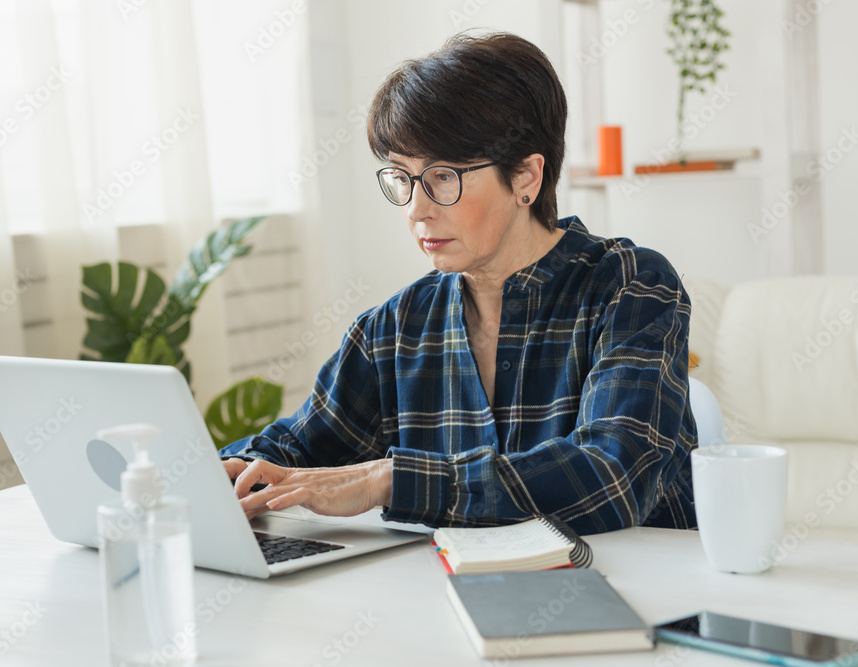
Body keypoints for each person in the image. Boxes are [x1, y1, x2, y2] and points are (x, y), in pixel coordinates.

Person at [220, 31, 698, 533]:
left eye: (443, 176)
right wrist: (228, 475)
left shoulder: (632, 286)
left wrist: (390, 480)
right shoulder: (396, 327)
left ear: (527, 178)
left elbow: (612, 478)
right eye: (402, 177)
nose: (415, 209)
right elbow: (298, 444)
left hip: (631, 598)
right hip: (451, 602)